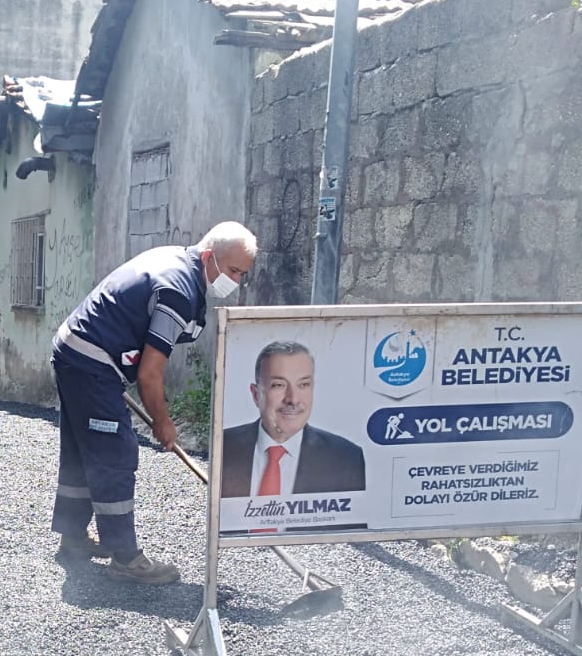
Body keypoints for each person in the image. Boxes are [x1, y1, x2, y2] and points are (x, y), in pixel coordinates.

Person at [51, 222, 259, 584]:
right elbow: (150, 373)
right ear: (209, 257)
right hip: (91, 359)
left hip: (74, 348)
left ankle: (73, 538)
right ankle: (125, 557)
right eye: (233, 270)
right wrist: (163, 421)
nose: (236, 281)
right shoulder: (178, 290)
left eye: (243, 274)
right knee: (114, 452)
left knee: (83, 447)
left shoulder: (178, 261)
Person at [220, 340, 365, 498]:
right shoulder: (224, 446)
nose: (293, 399)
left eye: (303, 385)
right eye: (278, 385)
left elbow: (352, 522)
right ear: (256, 395)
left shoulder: (345, 458)